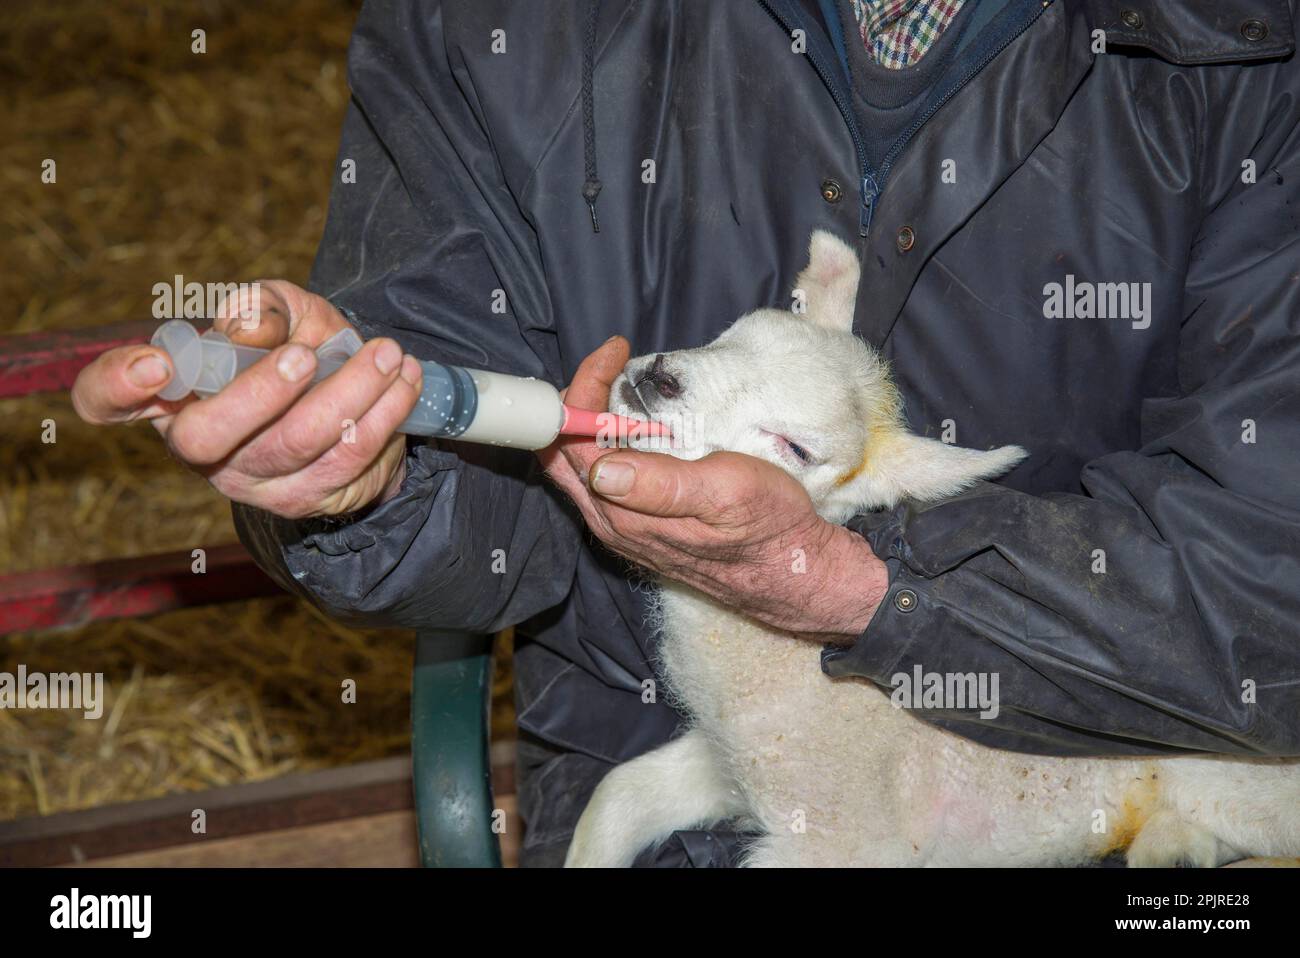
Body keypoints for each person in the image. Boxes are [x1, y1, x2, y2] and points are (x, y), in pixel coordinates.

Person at [73, 0, 1300, 867]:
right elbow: (447, 409)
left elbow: (1269, 573)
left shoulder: (1250, 46)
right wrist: (354, 464)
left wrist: (854, 581)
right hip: (667, 740)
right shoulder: (494, 26)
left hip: (1154, 752)